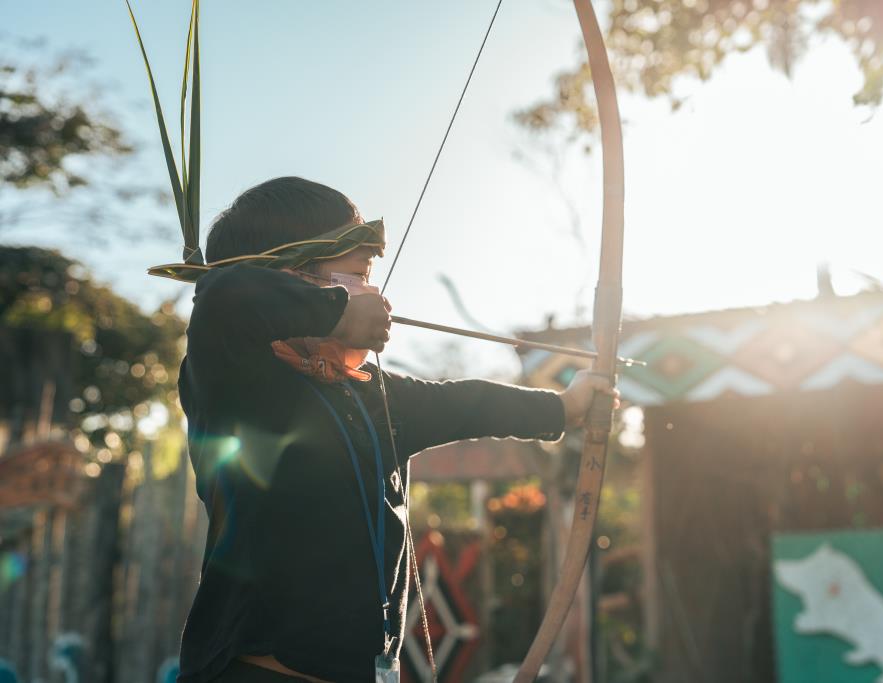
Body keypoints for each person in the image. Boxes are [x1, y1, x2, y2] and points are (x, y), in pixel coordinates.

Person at [175, 177, 616, 682]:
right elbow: (224, 295)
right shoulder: (234, 377)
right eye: (358, 273)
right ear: (292, 273)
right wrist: (338, 312)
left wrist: (566, 407)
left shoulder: (376, 397)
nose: (372, 293)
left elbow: (467, 404)